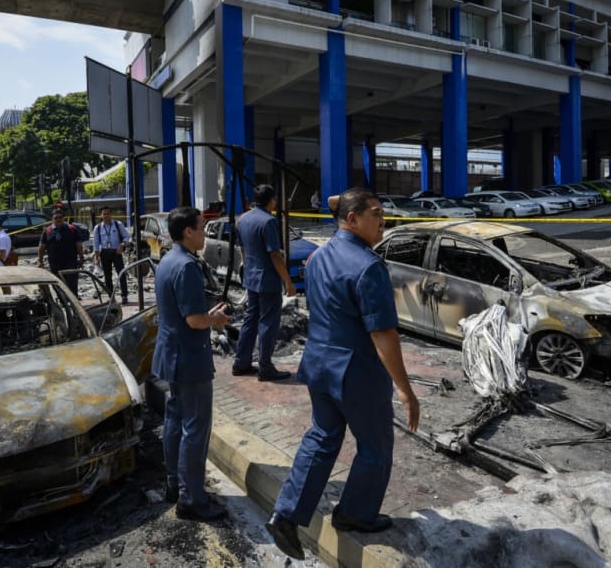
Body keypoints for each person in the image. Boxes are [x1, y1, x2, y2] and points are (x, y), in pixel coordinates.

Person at [265, 188, 420, 561]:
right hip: (357, 374)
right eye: (376, 213)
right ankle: (354, 514)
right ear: (354, 220)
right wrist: (405, 389)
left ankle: (285, 515)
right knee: (375, 447)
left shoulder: (318, 259)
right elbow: (383, 334)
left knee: (322, 437)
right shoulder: (368, 267)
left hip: (318, 364)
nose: (384, 221)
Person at [152, 206, 233, 521]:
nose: (204, 233)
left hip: (171, 354)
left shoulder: (168, 260)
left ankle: (176, 483)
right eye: (202, 228)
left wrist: (207, 315)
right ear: (188, 231)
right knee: (195, 429)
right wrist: (215, 319)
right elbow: (195, 320)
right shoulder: (186, 266)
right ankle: (192, 499)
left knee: (176, 421)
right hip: (188, 358)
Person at [231, 184, 296, 381]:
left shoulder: (243, 219)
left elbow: (242, 250)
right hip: (267, 280)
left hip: (251, 277)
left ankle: (241, 362)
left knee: (250, 319)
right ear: (271, 201)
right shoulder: (269, 222)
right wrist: (288, 282)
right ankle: (265, 367)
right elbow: (275, 255)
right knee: (268, 322)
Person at [38, 209, 84, 296]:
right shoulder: (47, 231)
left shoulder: (72, 229)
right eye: (56, 218)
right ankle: (62, 303)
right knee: (57, 284)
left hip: (70, 262)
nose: (59, 219)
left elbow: (79, 245)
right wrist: (40, 261)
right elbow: (42, 247)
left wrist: (81, 257)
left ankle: (74, 305)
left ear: (64, 218)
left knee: (72, 284)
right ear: (52, 219)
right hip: (55, 263)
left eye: (60, 217)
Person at [92, 206, 130, 304]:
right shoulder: (98, 228)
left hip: (116, 252)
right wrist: (96, 258)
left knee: (121, 274)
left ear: (111, 214)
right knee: (107, 276)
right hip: (104, 253)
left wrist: (122, 245)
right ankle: (111, 296)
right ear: (101, 215)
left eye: (108, 213)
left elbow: (126, 237)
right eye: (104, 214)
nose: (106, 216)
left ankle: (124, 295)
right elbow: (96, 243)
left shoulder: (118, 224)